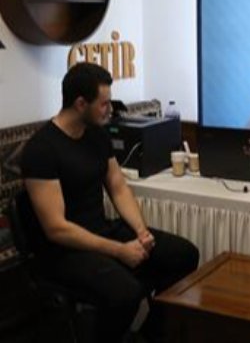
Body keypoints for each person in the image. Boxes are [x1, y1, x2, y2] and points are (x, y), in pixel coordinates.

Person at [20, 63, 199, 342]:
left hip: (101, 230)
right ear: (81, 104)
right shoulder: (41, 150)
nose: (109, 110)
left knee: (184, 254)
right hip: (64, 251)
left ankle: (151, 333)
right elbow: (56, 229)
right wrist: (119, 250)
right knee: (126, 293)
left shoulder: (97, 134)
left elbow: (117, 186)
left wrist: (141, 231)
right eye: (103, 104)